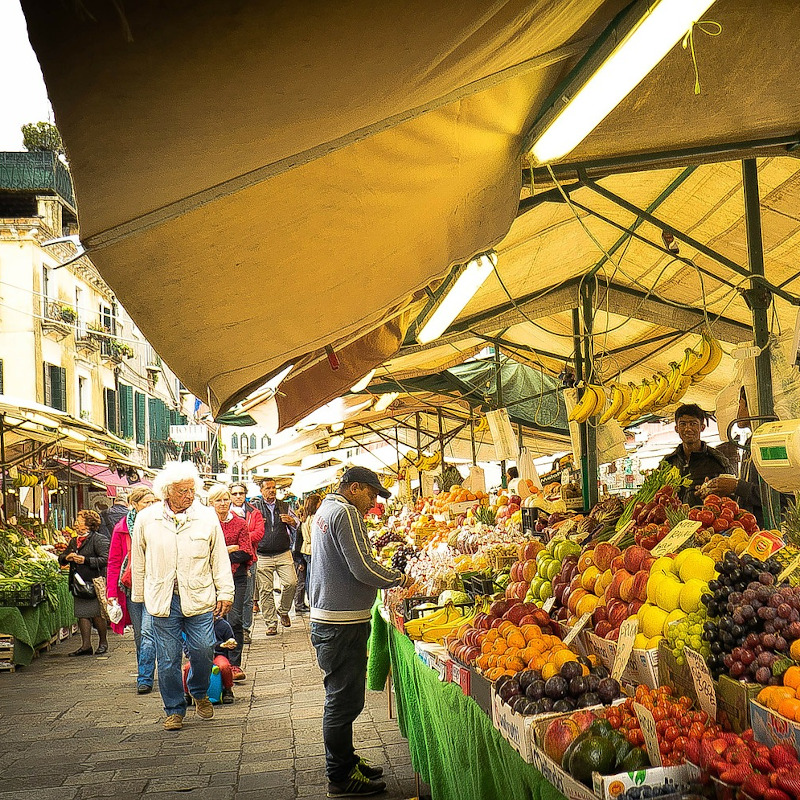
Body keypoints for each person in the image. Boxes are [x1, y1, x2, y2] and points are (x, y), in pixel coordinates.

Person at [308, 467, 413, 797]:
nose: (372, 503)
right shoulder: (345, 512)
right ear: (354, 488)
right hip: (340, 624)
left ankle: (346, 760)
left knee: (342, 697)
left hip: (329, 618)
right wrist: (400, 579)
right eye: (370, 494)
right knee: (343, 700)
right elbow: (363, 567)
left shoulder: (325, 508)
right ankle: (339, 776)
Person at [131, 461, 234, 732]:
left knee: (203, 648)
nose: (188, 495)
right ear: (167, 492)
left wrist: (225, 591)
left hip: (199, 596)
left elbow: (219, 557)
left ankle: (198, 691)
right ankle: (174, 709)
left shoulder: (207, 516)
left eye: (191, 490)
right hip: (163, 599)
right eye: (182, 491)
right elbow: (138, 559)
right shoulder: (146, 519)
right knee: (167, 659)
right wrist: (139, 596)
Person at [106, 486, 158, 693]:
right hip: (132, 588)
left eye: (154, 502)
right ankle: (145, 671)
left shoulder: (162, 523)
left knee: (148, 631)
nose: (151, 506)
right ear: (134, 505)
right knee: (140, 635)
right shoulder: (122, 528)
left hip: (157, 586)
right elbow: (114, 561)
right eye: (147, 502)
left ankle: (145, 677)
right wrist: (111, 592)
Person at [207, 484, 253, 680]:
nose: (223, 503)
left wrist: (221, 554)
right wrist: (228, 550)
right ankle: (214, 660)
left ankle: (234, 664)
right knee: (213, 619)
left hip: (237, 577)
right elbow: (205, 553)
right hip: (211, 579)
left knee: (234, 619)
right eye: (219, 500)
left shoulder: (240, 523)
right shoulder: (206, 523)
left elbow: (245, 551)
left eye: (226, 499)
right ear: (211, 503)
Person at [698, 388, 764, 524]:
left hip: (771, 532)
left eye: (740, 404)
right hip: (749, 526)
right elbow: (751, 492)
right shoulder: (749, 442)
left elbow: (781, 496)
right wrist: (722, 490)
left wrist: (737, 486)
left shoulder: (768, 442)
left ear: (752, 405)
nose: (737, 412)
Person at [250, 477, 298, 636]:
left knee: (291, 582)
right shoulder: (255, 508)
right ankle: (271, 623)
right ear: (261, 491)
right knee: (265, 590)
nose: (271, 490)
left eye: (273, 488)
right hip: (263, 554)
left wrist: (291, 521)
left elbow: (297, 523)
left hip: (283, 552)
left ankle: (283, 610)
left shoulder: (284, 506)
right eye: (268, 488)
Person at [59, 509, 110, 656]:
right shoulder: (74, 540)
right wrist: (66, 558)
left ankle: (103, 642)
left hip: (93, 581)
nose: (76, 522)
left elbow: (105, 559)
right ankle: (86, 645)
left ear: (88, 524)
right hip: (78, 582)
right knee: (82, 614)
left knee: (96, 613)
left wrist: (86, 560)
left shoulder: (98, 539)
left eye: (79, 520)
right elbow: (63, 556)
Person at [663, 404, 734, 504]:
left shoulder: (718, 461)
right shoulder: (668, 463)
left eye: (693, 424)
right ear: (676, 428)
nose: (688, 429)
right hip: (673, 519)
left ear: (702, 427)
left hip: (704, 517)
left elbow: (732, 496)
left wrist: (711, 493)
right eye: (683, 424)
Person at [229, 483, 264, 645]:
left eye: (241, 493)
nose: (237, 496)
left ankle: (245, 628)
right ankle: (228, 629)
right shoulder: (223, 512)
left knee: (247, 597)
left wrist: (241, 537)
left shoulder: (253, 512)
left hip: (249, 559)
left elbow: (259, 533)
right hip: (228, 561)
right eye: (234, 493)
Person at [183, 616, 238, 705]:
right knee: (187, 668)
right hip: (199, 656)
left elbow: (230, 639)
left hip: (218, 654)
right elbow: (186, 644)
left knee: (225, 666)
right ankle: (186, 693)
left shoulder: (223, 625)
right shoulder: (194, 625)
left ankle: (228, 689)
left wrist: (230, 644)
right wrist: (191, 654)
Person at [293, 493, 321, 613]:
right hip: (311, 550)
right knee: (311, 578)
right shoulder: (314, 519)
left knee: (307, 578)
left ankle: (308, 602)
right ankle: (311, 601)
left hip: (305, 550)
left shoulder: (305, 519)